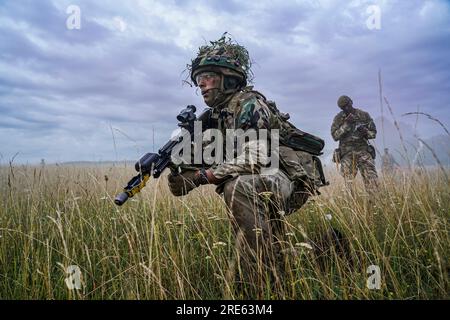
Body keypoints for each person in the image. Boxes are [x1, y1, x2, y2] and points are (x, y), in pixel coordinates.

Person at [166, 34, 325, 295]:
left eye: (207, 77)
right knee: (265, 228)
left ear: (228, 78)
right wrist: (176, 168)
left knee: (238, 188)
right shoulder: (216, 118)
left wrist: (205, 176)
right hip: (263, 180)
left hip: (287, 177)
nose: (201, 85)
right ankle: (320, 252)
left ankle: (260, 286)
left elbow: (258, 157)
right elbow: (183, 185)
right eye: (198, 81)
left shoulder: (250, 104)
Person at [331, 95, 378, 194]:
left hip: (363, 151)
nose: (347, 108)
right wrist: (346, 124)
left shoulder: (363, 115)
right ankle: (351, 206)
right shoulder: (339, 118)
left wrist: (365, 132)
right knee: (348, 184)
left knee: (372, 180)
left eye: (347, 105)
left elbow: (373, 134)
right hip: (347, 154)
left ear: (351, 102)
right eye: (343, 107)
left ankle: (374, 205)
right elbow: (335, 136)